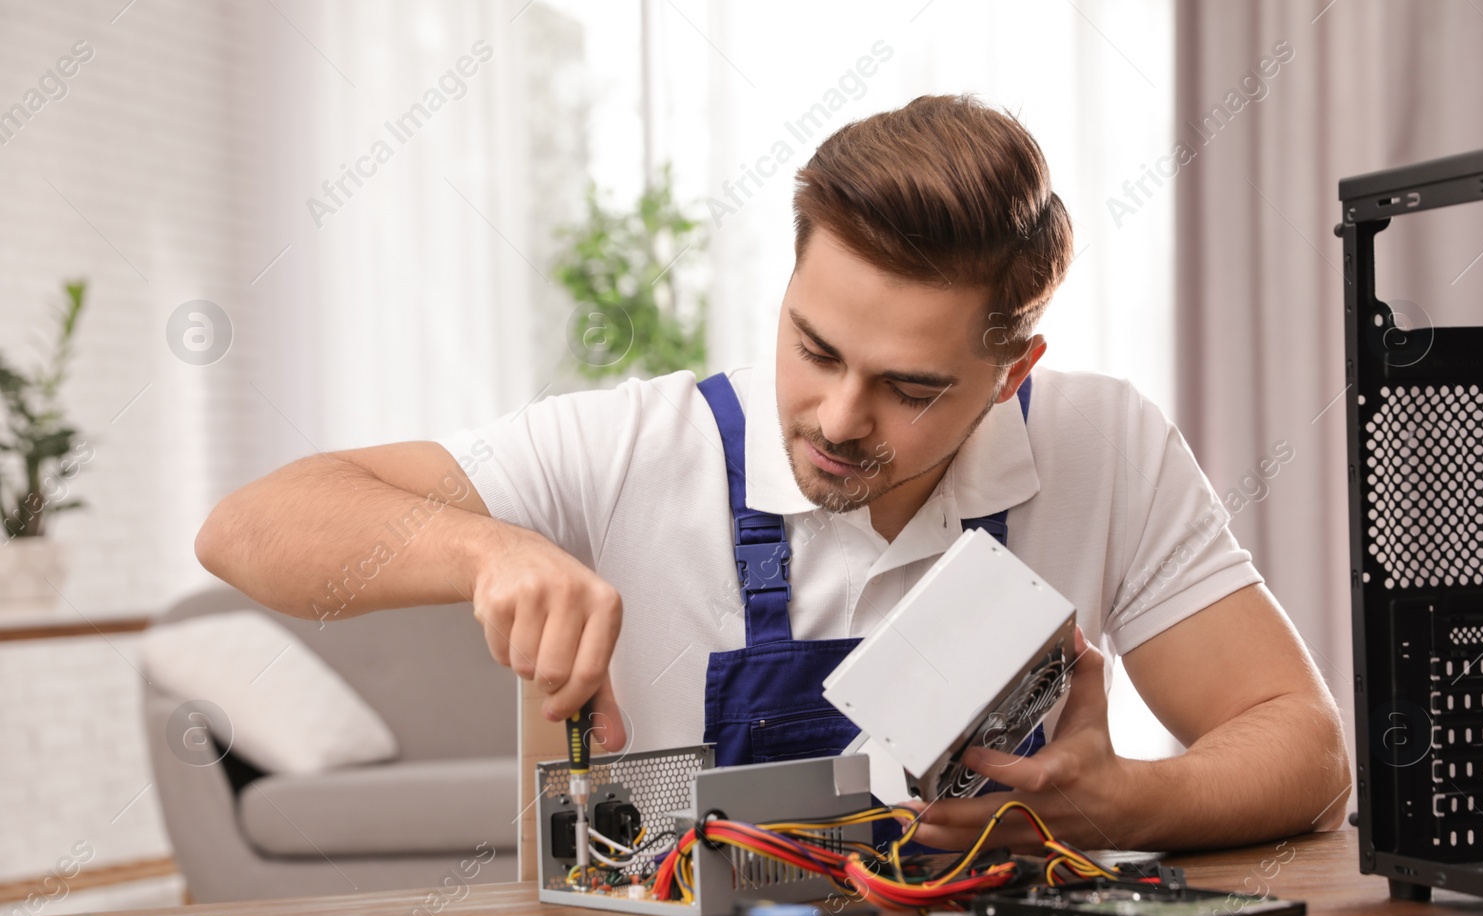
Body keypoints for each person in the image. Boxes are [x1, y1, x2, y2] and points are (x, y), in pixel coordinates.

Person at [197, 94, 1349, 854]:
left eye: (909, 387)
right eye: (813, 347)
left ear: (1011, 370)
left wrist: (1121, 799)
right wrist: (489, 548)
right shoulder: (631, 449)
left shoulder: (1104, 442)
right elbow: (249, 527)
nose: (837, 419)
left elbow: (1305, 748)